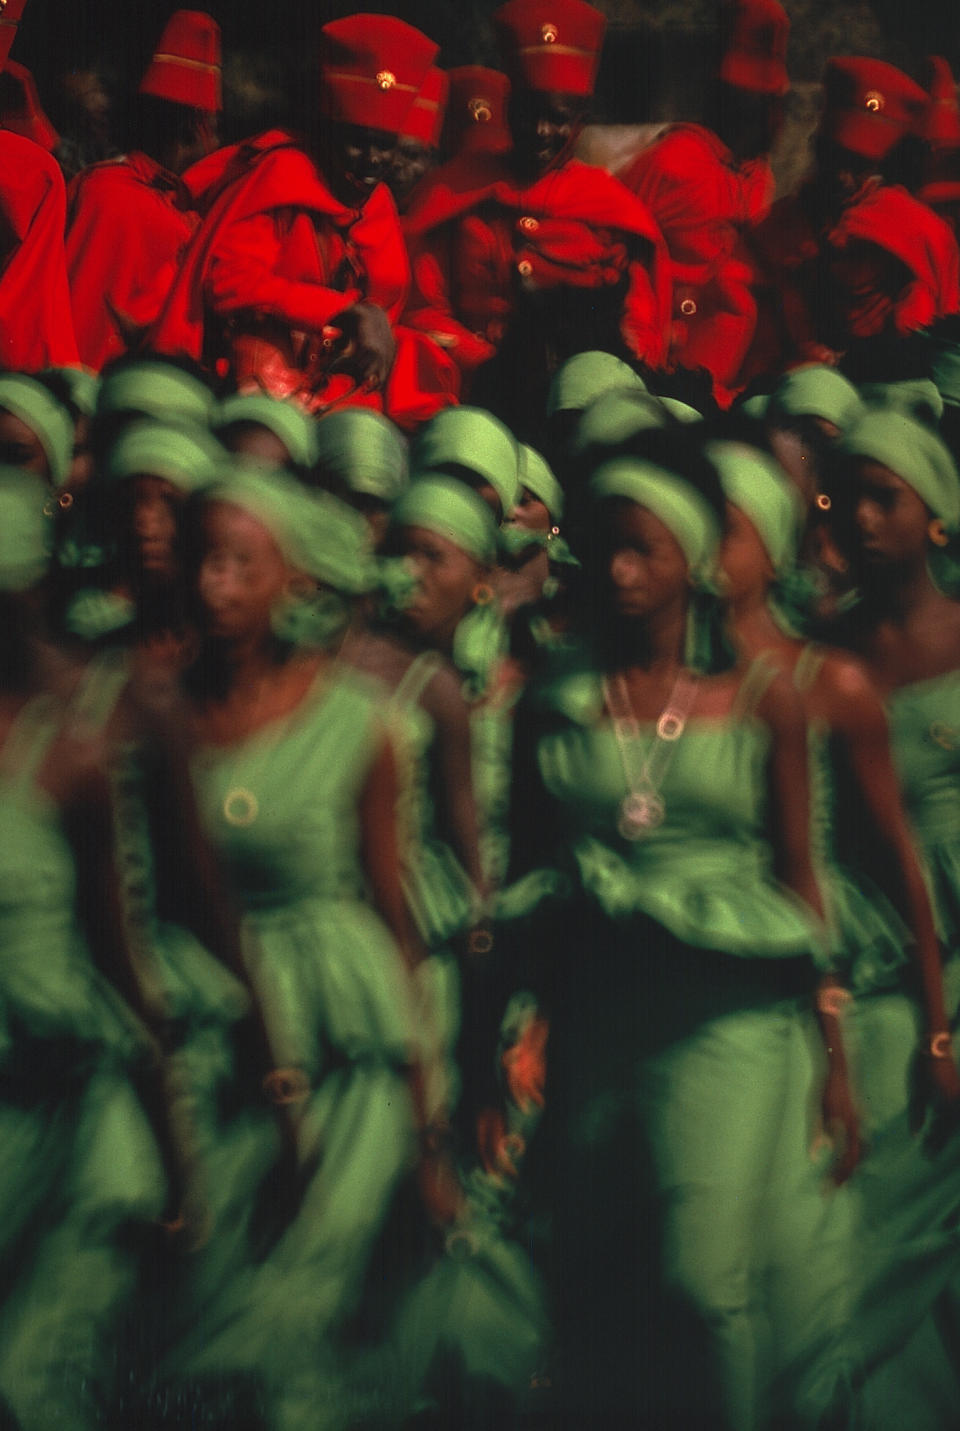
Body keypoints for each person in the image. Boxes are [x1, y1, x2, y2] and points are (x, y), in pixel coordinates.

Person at [507, 430, 858, 1428]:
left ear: (693, 560)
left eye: (643, 551)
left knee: (703, 1281)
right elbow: (529, 883)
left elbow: (803, 880)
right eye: (606, 548)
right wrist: (512, 1029)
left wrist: (835, 1055)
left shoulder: (764, 704)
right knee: (597, 1281)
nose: (618, 572)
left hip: (729, 1021)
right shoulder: (556, 706)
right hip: (600, 1019)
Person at [169, 463, 456, 1427]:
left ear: (290, 577)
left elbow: (392, 907)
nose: (218, 585)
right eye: (203, 560)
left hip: (341, 1033)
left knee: (305, 1292)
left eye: (242, 563)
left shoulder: (363, 726)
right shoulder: (155, 721)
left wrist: (428, 1107)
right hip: (212, 1020)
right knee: (208, 1273)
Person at [826, 410, 960, 1428]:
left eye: (888, 499)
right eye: (849, 499)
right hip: (888, 961)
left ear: (938, 517)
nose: (864, 520)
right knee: (884, 1227)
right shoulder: (831, 658)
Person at [150, 14, 457, 427]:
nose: (372, 161)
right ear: (327, 132)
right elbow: (228, 281)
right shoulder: (284, 174)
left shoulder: (378, 200)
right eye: (356, 143)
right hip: (256, 374)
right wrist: (340, 311)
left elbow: (385, 304)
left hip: (341, 385)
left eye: (384, 147)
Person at [402, 0, 670, 437]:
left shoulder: (612, 209)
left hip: (587, 396)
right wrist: (492, 363)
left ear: (580, 123)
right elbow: (421, 308)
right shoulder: (454, 191)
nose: (541, 131)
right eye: (529, 112)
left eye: (558, 119)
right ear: (509, 108)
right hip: (469, 390)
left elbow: (640, 326)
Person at [618, 0, 789, 407]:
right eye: (763, 108)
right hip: (666, 363)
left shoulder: (760, 173)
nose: (776, 121)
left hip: (736, 371)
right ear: (730, 104)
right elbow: (615, 243)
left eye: (777, 107)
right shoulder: (670, 161)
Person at [745, 58, 960, 380]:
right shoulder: (775, 225)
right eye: (834, 158)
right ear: (816, 148)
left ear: (877, 166)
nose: (843, 177)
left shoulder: (917, 227)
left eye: (857, 164)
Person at [65, 10, 222, 372]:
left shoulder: (101, 185)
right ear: (194, 128)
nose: (218, 144)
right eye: (216, 129)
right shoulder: (115, 195)